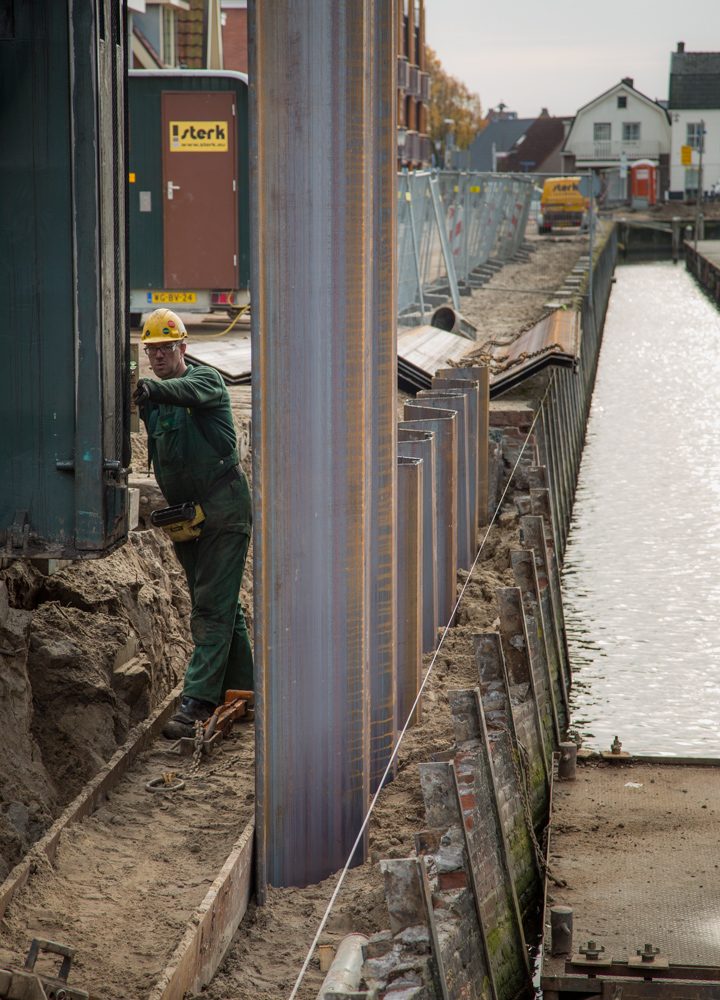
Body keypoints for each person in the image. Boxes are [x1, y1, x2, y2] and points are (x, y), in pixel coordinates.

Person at [133, 308, 253, 739]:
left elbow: (183, 390)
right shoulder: (155, 405)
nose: (159, 355)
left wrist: (148, 388)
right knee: (222, 604)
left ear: (184, 347)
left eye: (167, 347)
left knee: (209, 608)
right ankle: (244, 688)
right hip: (187, 518)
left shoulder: (206, 381)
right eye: (153, 350)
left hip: (223, 510)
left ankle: (197, 701)